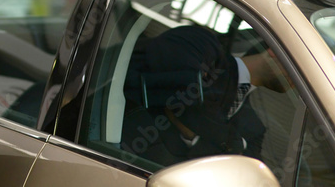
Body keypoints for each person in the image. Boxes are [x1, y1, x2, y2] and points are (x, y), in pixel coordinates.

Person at [122, 25, 292, 166]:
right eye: (298, 68)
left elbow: (242, 175)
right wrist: (232, 144)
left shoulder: (254, 131)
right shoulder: (201, 43)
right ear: (275, 51)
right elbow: (179, 96)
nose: (298, 80)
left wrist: (198, 132)